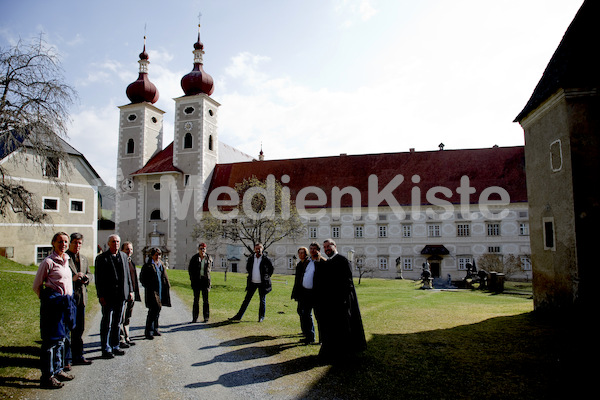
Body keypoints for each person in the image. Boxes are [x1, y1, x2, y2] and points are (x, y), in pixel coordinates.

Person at [32, 232, 76, 389]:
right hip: (53, 306)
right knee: (50, 342)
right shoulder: (48, 262)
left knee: (61, 339)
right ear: (53, 243)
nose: (63, 244)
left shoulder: (66, 261)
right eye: (60, 241)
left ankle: (58, 370)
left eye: (65, 242)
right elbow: (37, 285)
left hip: (65, 306)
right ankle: (47, 376)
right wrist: (48, 302)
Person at [314, 239, 367, 363]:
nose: (327, 248)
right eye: (325, 247)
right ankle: (333, 353)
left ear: (335, 246)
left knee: (343, 328)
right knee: (333, 329)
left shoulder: (343, 260)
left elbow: (347, 283)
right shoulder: (329, 262)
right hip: (331, 302)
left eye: (329, 246)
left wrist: (343, 300)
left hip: (342, 301)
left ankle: (343, 354)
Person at [94, 234, 133, 359]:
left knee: (117, 322)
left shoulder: (123, 256)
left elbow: (128, 276)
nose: (115, 243)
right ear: (108, 243)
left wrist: (130, 291)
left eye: (117, 241)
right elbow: (98, 279)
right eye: (113, 241)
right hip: (108, 296)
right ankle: (106, 348)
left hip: (121, 296)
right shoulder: (101, 258)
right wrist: (101, 295)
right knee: (107, 323)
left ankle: (115, 345)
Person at [65, 233, 92, 367]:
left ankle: (78, 356)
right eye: (75, 242)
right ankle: (65, 360)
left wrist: (87, 278)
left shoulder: (83, 258)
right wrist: (73, 278)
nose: (77, 245)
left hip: (81, 298)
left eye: (80, 243)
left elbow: (90, 273)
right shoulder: (64, 258)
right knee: (67, 330)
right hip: (68, 299)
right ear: (70, 243)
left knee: (79, 329)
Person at [229, 242, 274, 322]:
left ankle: (261, 317)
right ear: (254, 249)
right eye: (256, 248)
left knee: (262, 300)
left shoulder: (266, 259)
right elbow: (248, 268)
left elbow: (271, 269)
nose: (258, 250)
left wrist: (266, 277)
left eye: (259, 248)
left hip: (262, 283)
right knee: (246, 300)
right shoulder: (251, 258)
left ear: (262, 249)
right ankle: (239, 316)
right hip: (252, 282)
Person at [291, 243, 324, 344]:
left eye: (315, 249)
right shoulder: (307, 262)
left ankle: (322, 340)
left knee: (319, 317)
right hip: (306, 293)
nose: (313, 250)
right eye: (311, 249)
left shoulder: (322, 261)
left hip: (317, 294)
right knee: (306, 315)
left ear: (318, 250)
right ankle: (310, 337)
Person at [139, 247, 171, 339]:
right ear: (152, 255)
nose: (158, 257)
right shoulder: (147, 265)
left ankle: (155, 328)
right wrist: (149, 286)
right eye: (156, 255)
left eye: (159, 255)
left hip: (160, 290)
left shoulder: (160, 264)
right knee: (153, 310)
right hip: (152, 291)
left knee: (158, 310)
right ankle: (149, 331)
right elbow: (142, 278)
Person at [119, 241, 140, 347]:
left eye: (131, 249)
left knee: (128, 317)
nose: (129, 251)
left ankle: (127, 336)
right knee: (121, 317)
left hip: (131, 293)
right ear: (122, 250)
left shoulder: (131, 262)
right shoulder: (120, 261)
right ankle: (121, 338)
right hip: (123, 294)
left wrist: (134, 292)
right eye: (127, 249)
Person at [188, 243, 212, 323]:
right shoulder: (194, 258)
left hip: (205, 281)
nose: (202, 250)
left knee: (206, 300)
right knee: (196, 300)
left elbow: (209, 270)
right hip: (197, 282)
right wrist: (192, 279)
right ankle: (195, 317)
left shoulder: (208, 258)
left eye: (204, 249)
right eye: (201, 249)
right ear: (198, 249)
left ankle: (206, 317)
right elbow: (190, 270)